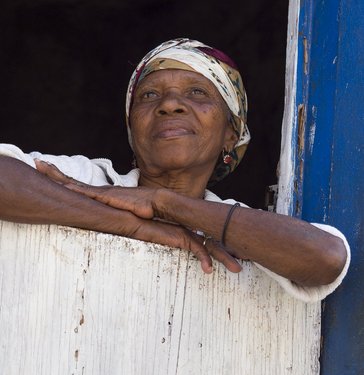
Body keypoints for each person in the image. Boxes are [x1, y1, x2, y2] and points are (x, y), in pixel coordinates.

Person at [0, 38, 350, 302]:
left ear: (231, 134)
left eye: (198, 93)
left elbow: (326, 258)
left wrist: (165, 203)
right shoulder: (88, 180)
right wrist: (132, 225)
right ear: (132, 127)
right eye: (150, 96)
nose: (169, 105)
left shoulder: (243, 229)